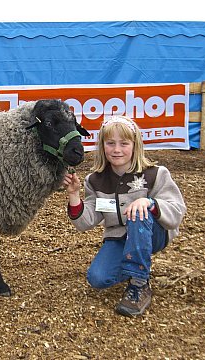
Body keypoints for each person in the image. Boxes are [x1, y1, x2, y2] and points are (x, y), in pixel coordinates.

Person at [62, 115, 186, 317]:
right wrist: (74, 195)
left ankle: (139, 283)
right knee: (98, 278)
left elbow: (176, 210)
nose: (116, 149)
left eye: (124, 143)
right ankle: (134, 264)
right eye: (110, 143)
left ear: (135, 145)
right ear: (102, 146)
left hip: (153, 232)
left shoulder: (155, 174)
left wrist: (150, 203)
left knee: (139, 212)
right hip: (119, 236)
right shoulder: (95, 180)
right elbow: (88, 220)